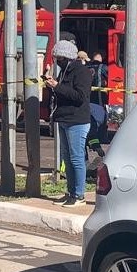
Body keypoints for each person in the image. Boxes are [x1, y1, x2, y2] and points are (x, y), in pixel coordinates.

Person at [45, 39, 92, 207]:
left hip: (77, 120)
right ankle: (71, 192)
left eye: (59, 58)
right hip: (63, 118)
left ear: (67, 57)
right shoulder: (63, 71)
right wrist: (52, 86)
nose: (57, 61)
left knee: (76, 158)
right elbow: (63, 93)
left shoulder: (82, 72)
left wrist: (57, 86)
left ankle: (79, 194)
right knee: (67, 157)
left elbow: (80, 96)